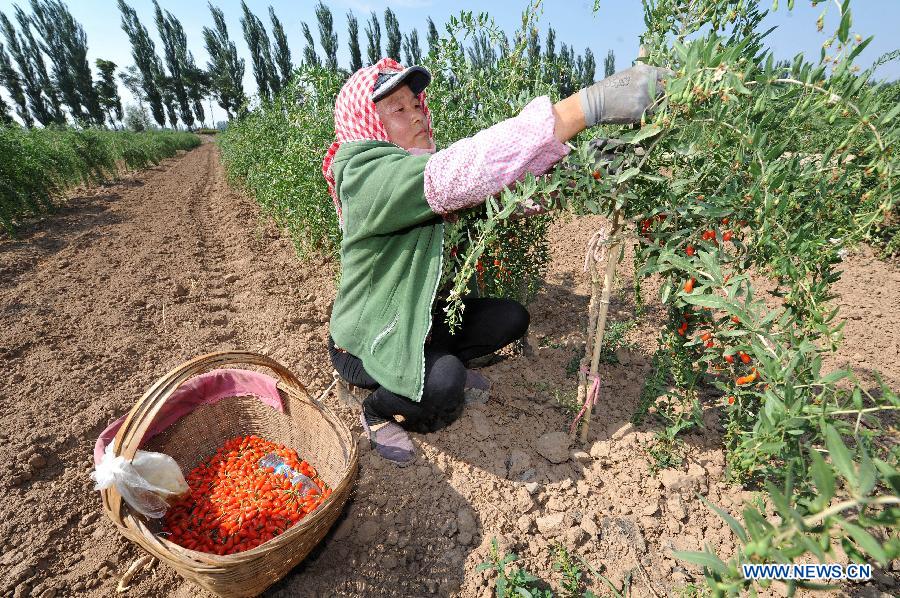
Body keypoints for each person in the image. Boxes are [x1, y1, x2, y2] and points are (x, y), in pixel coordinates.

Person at [323, 57, 668, 465]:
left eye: (416, 105)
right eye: (398, 109)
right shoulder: (364, 175)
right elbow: (458, 174)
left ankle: (430, 363)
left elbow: (508, 194)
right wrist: (584, 108)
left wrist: (583, 166)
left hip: (422, 322)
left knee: (511, 318)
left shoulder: (416, 170)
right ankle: (380, 409)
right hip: (365, 344)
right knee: (444, 383)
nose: (416, 115)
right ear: (368, 123)